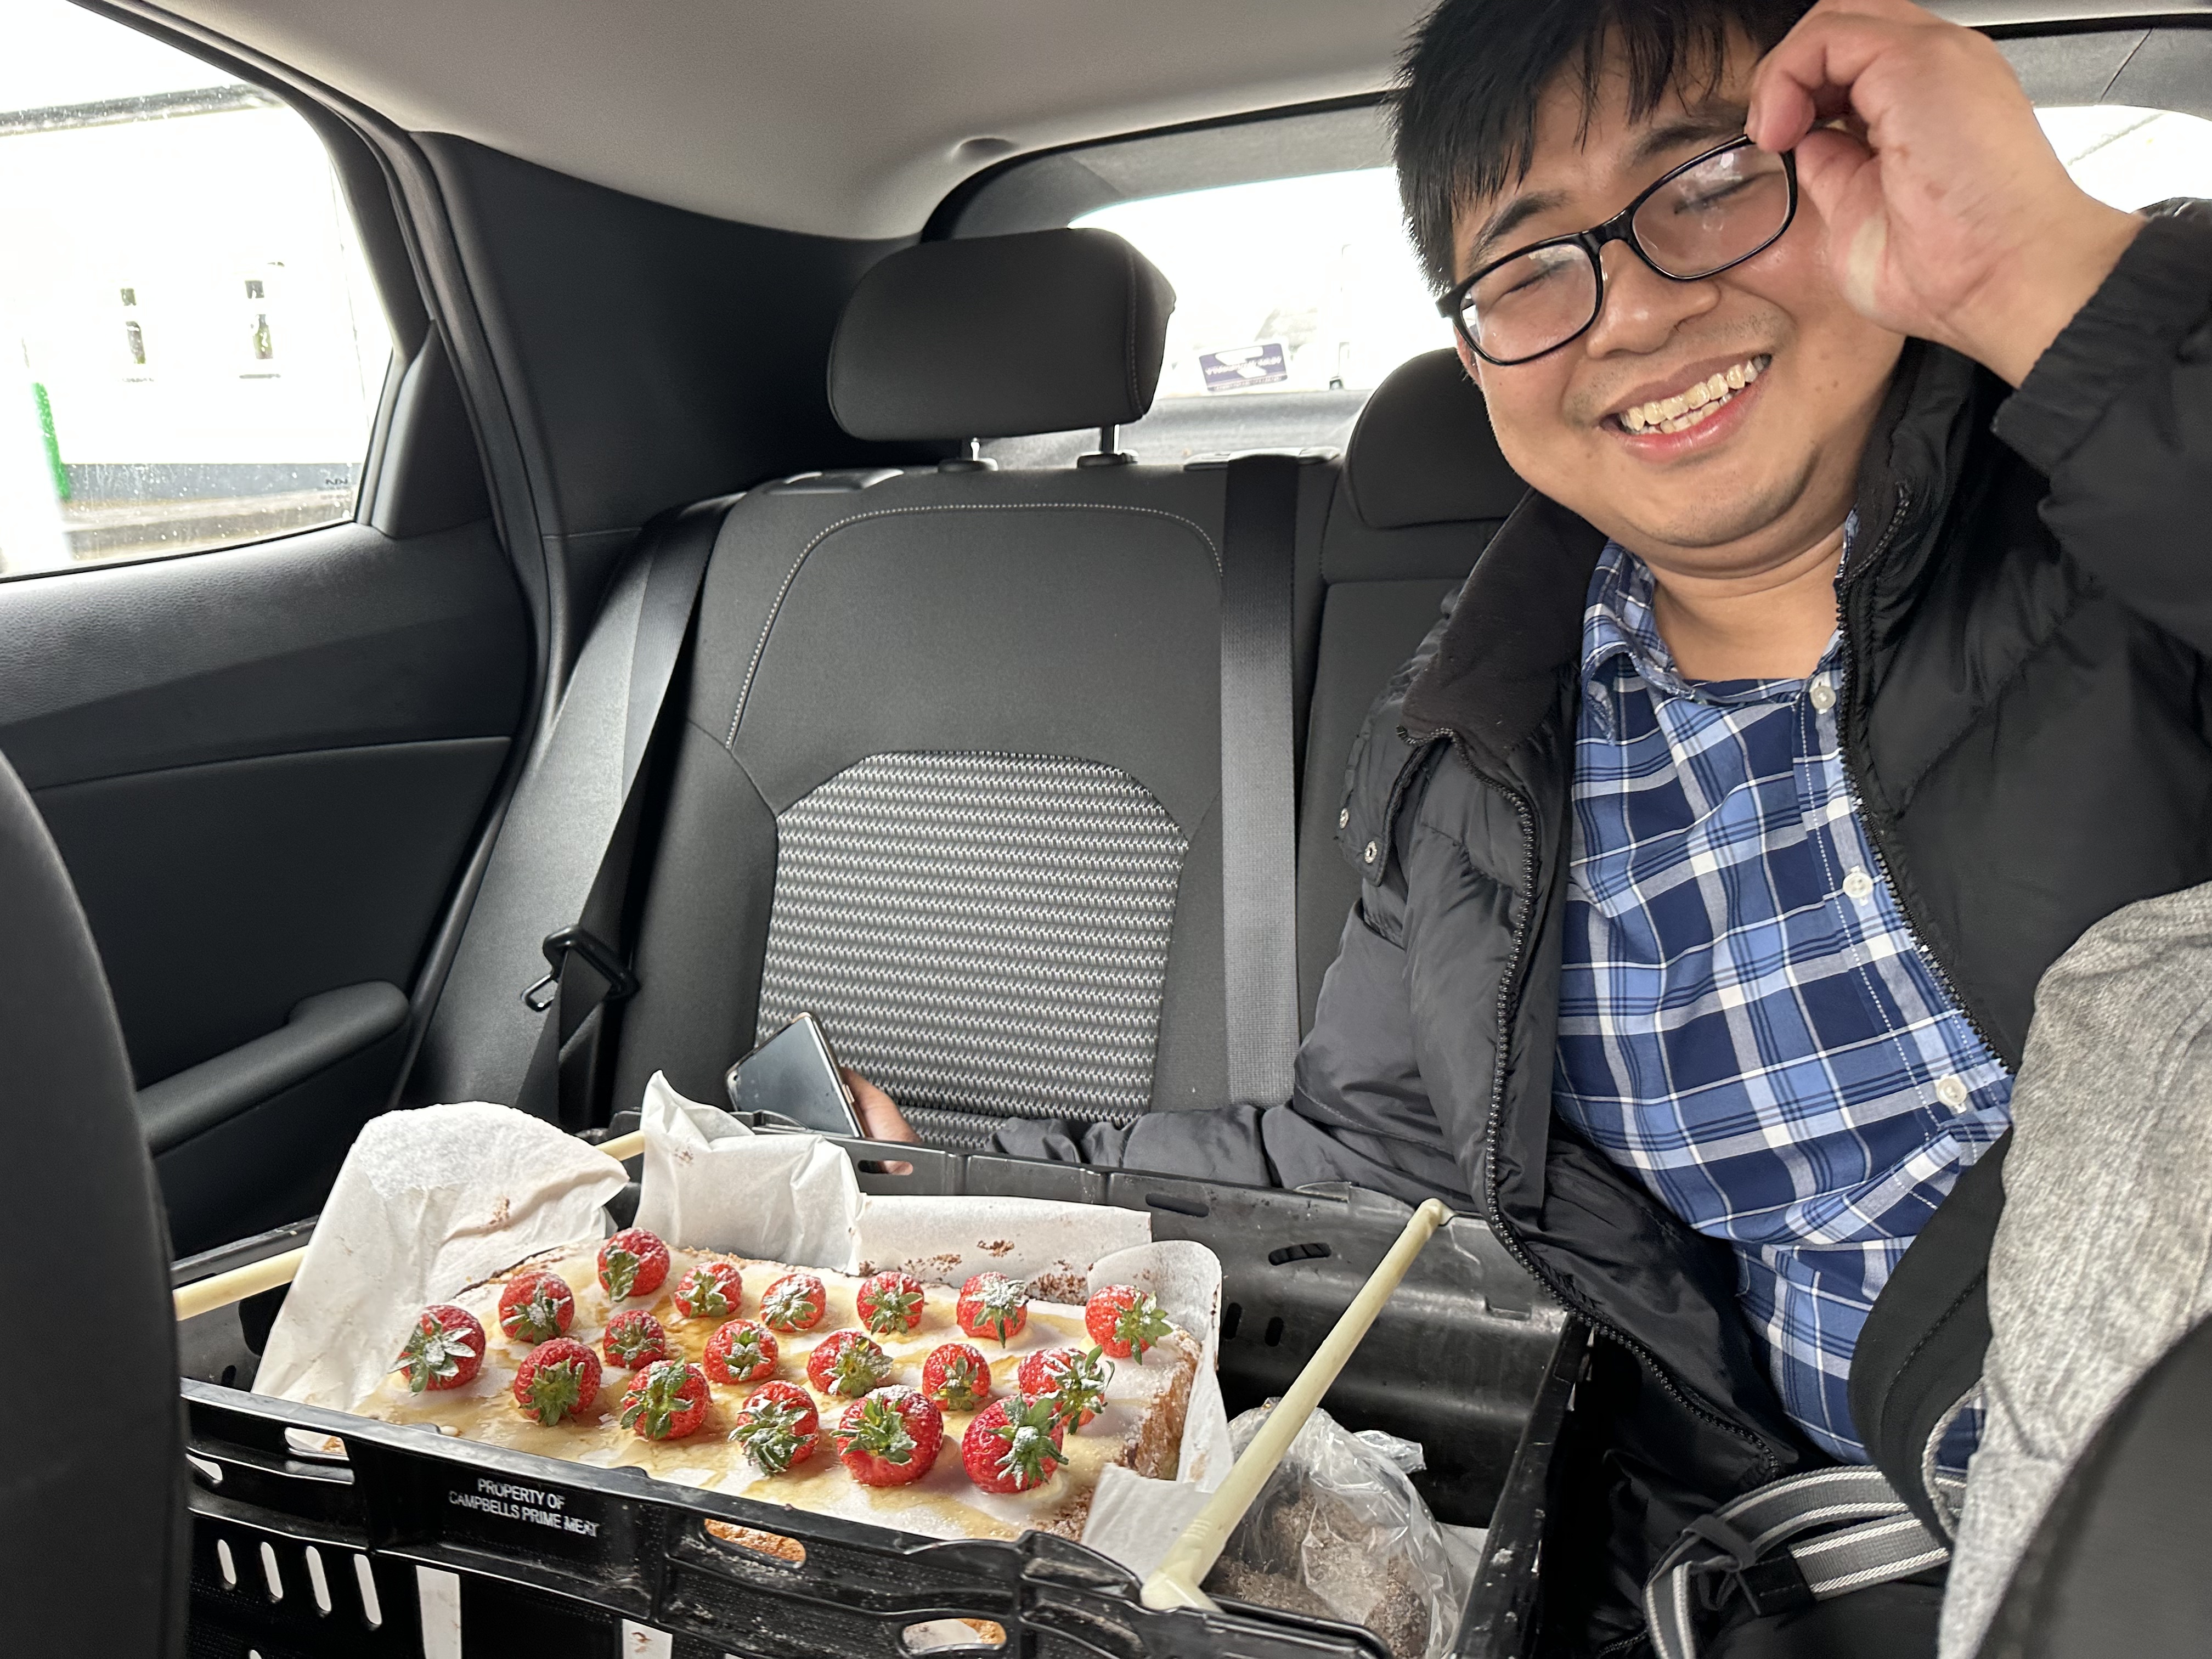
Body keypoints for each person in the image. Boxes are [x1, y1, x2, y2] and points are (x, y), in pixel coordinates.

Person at [857, 0, 2212, 1647]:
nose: (1634, 308)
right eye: (1526, 268)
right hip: (1795, 1571)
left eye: (1708, 185)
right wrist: (919, 1174)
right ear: (1476, 348)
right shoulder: (1475, 752)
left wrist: (2042, 280)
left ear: (1857, 179)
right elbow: (1370, 1162)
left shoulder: (2126, 506)